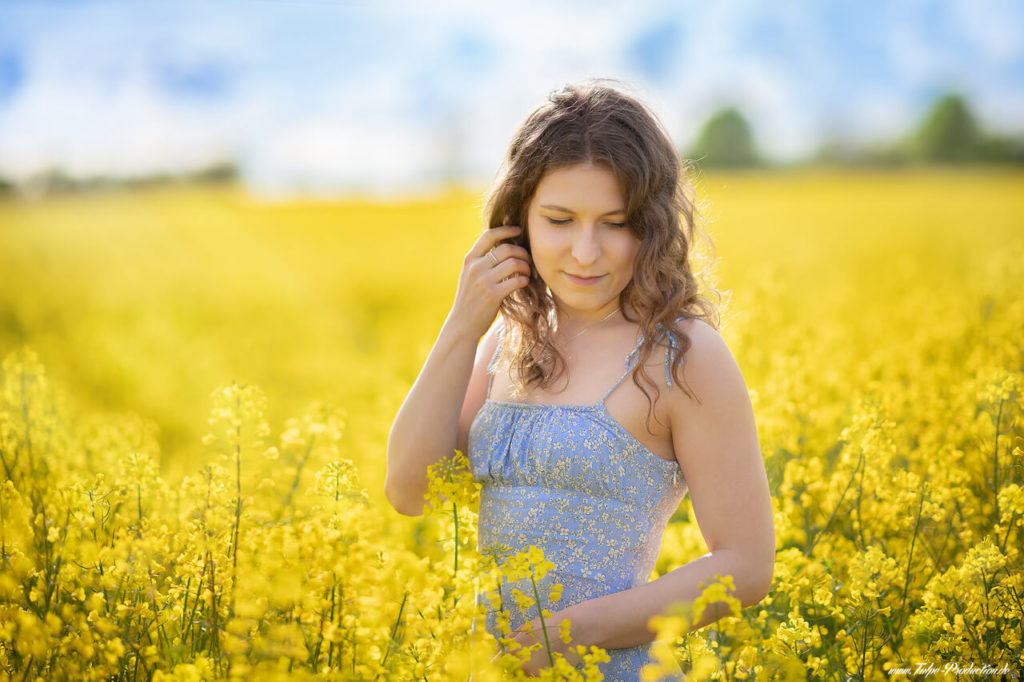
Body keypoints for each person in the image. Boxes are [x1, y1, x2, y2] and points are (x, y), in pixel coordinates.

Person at [385, 81, 775, 679]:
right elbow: (409, 492)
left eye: (614, 223)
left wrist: (571, 634)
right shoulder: (504, 340)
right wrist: (461, 327)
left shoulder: (684, 355)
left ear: (650, 225)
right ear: (519, 221)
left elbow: (746, 566)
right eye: (560, 220)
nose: (586, 253)